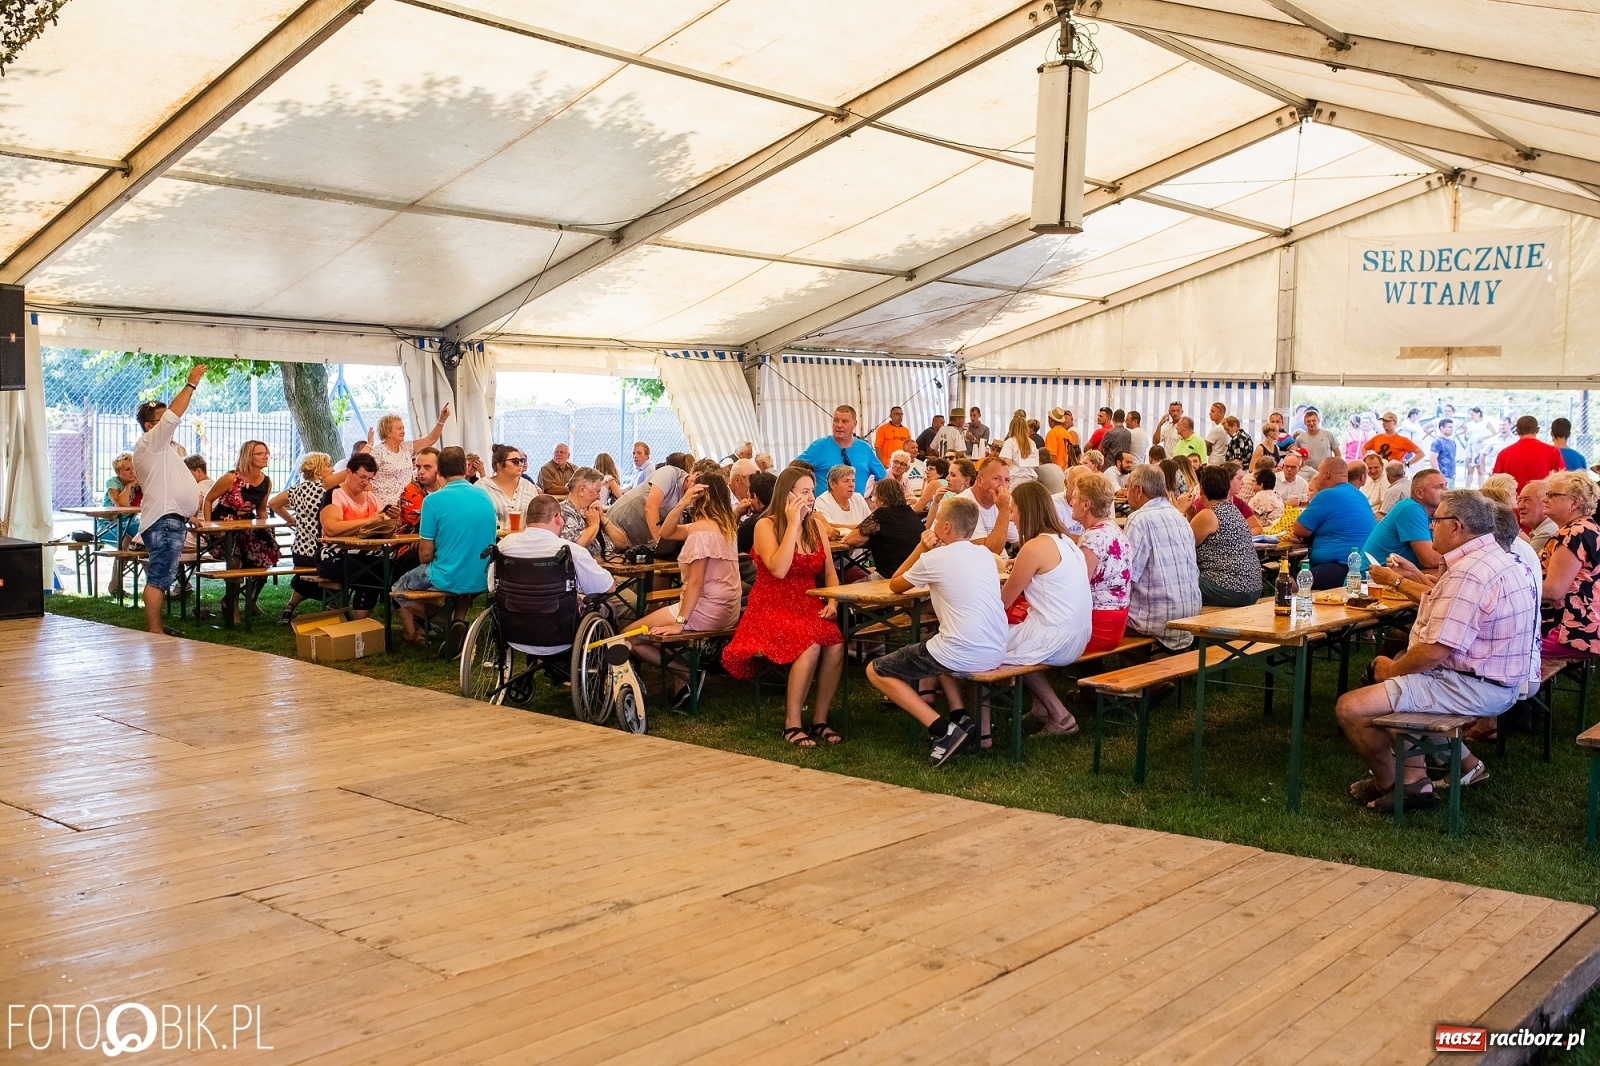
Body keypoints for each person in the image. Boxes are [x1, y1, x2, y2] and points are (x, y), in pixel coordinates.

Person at [1336, 491, 1539, 812]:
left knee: (1352, 707)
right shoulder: (1496, 558)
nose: (1430, 527)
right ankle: (1420, 777)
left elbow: (1434, 651)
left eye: (1435, 521)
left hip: (1474, 686)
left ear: (1456, 526)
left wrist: (1392, 669)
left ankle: (1396, 785)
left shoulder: (1470, 572)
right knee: (1396, 689)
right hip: (1492, 679)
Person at [867, 496, 1008, 766]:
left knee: (876, 670)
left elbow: (895, 584)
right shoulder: (986, 555)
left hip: (963, 650)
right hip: (996, 647)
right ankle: (959, 716)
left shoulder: (935, 558)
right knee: (938, 642)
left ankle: (941, 730)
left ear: (944, 527)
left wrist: (920, 547)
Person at [722, 466, 845, 748]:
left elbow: (829, 572)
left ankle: (820, 719)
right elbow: (777, 569)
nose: (811, 497)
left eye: (812, 491)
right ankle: (792, 723)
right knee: (810, 644)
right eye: (804, 492)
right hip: (770, 605)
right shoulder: (766, 525)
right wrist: (792, 525)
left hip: (807, 602)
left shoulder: (816, 526)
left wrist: (834, 600)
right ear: (786, 495)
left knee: (836, 642)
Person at [633, 471, 744, 705]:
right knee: (653, 633)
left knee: (630, 638)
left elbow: (695, 582)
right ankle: (682, 681)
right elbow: (665, 532)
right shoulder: (726, 528)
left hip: (704, 610)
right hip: (726, 609)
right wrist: (682, 504)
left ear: (700, 497)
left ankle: (686, 674)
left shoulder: (701, 533)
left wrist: (680, 623)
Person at [1000, 482, 1093, 738]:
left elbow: (1004, 600)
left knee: (992, 644)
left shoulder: (1034, 547)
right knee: (1016, 636)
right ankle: (1040, 706)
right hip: (1080, 632)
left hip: (1057, 635)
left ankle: (1060, 715)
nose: (1012, 517)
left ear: (1026, 511)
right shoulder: (1065, 540)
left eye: (1013, 510)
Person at [495, 494, 617, 679]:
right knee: (609, 608)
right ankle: (596, 671)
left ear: (528, 518)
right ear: (558, 518)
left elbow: (492, 586)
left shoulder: (504, 546)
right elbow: (608, 587)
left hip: (513, 629)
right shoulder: (570, 550)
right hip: (559, 632)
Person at [128, 366, 207, 634]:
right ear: (150, 426)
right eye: (161, 420)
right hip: (163, 522)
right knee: (160, 576)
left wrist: (188, 514)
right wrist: (191, 385)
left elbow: (167, 485)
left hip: (171, 519)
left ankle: (157, 628)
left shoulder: (163, 450)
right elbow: (174, 415)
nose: (170, 423)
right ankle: (154, 631)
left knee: (162, 574)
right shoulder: (151, 443)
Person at [393, 447, 498, 644]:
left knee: (398, 590)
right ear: (465, 469)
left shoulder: (433, 501)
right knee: (461, 584)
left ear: (439, 470)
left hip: (449, 574)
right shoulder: (485, 496)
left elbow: (425, 555)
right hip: (483, 575)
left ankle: (445, 623)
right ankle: (459, 620)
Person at [1122, 464, 1201, 650]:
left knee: (1099, 617)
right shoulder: (1179, 516)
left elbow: (1127, 574)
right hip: (1190, 611)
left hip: (1158, 618)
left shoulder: (1139, 519)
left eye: (1128, 488)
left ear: (1139, 490)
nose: (1126, 493)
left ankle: (1137, 675)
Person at [203, 440, 280, 624]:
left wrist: (267, 531)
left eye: (266, 453)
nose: (265, 457)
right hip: (225, 527)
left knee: (268, 555)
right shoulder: (231, 478)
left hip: (248, 526)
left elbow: (261, 510)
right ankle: (233, 605)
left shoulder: (266, 481)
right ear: (248, 456)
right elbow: (208, 499)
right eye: (260, 454)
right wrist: (208, 527)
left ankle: (251, 600)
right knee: (235, 559)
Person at [270, 451, 342, 624]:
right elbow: (347, 472)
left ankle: (290, 607)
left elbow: (273, 503)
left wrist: (291, 520)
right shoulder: (326, 488)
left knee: (305, 579)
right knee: (346, 567)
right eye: (328, 466)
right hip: (322, 551)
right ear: (318, 472)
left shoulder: (297, 490)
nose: (332, 469)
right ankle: (334, 605)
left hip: (301, 551)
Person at [1537, 471, 1600, 660]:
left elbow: (1553, 592)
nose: (1544, 499)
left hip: (1570, 630)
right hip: (1585, 626)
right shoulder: (1587, 527)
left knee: (1499, 646)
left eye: (1552, 495)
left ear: (1575, 502)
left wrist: (1513, 592)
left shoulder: (1574, 533)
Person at [317, 452, 388, 619]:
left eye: (370, 479)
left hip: (368, 554)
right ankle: (360, 623)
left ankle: (414, 626)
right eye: (362, 477)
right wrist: (367, 521)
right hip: (334, 556)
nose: (366, 482)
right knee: (373, 572)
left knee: (394, 570)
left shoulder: (371, 497)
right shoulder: (334, 494)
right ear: (348, 472)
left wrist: (388, 519)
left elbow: (380, 522)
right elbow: (331, 528)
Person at [1068, 473, 1131, 653]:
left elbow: (1079, 587)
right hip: (1117, 619)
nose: (1071, 503)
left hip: (1098, 623)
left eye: (1074, 497)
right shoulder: (1115, 530)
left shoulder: (1091, 537)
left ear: (1086, 505)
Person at [1292, 458, 1377, 589]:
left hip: (1342, 568)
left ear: (1326, 475)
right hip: (1364, 566)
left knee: (1290, 582)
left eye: (1319, 473)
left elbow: (1299, 529)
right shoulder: (1359, 495)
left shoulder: (1326, 495)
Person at [1189, 465, 1261, 608]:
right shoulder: (1233, 509)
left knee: (1174, 583)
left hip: (1228, 589)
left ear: (1201, 489)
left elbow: (1183, 546)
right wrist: (1191, 514)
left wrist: (1179, 510)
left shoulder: (1208, 514)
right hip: (1253, 588)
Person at [1363, 469, 1447, 573]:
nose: (1446, 490)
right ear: (1419, 493)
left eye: (1445, 485)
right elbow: (1430, 560)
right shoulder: (1411, 508)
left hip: (1389, 579)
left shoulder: (1431, 514)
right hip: (1368, 581)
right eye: (1439, 487)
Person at [605, 452, 691, 553]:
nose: (635, 456)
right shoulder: (668, 472)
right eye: (633, 453)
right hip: (621, 525)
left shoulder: (690, 492)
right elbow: (650, 508)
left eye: (638, 453)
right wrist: (661, 545)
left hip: (640, 537)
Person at [795, 404, 886, 495]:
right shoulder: (819, 446)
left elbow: (884, 478)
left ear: (854, 424)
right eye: (836, 420)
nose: (839, 425)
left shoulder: (865, 449)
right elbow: (793, 470)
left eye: (844, 421)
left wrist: (872, 499)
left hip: (856, 508)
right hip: (824, 508)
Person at [369, 405, 449, 507]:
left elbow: (430, 439)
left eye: (403, 428)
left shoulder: (406, 447)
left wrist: (441, 420)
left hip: (408, 503)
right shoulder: (378, 452)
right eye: (399, 428)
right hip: (386, 507)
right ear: (388, 432)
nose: (403, 431)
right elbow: (367, 478)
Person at [845, 477, 923, 577]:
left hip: (890, 577)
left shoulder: (881, 515)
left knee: (850, 589)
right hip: (915, 576)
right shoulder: (910, 513)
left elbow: (851, 539)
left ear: (882, 499)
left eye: (875, 497)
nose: (875, 501)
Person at [954, 456, 1015, 553]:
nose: (1003, 486)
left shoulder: (999, 503)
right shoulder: (962, 505)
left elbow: (1019, 539)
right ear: (979, 481)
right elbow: (989, 552)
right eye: (996, 478)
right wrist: (1004, 510)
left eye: (1007, 480)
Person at [560, 468, 622, 557]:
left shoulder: (590, 511)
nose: (599, 497)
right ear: (582, 490)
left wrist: (604, 520)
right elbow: (576, 546)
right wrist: (593, 525)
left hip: (610, 562)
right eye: (597, 491)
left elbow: (623, 544)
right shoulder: (563, 512)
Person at [1492, 415, 1564, 490]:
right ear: (1537, 430)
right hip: (1543, 499)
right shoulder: (1553, 452)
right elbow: (1562, 479)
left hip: (1514, 500)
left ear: (1517, 431)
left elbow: (1495, 483)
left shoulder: (1504, 454)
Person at [482, 444, 539, 530]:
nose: (520, 464)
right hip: (494, 541)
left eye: (522, 460)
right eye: (515, 461)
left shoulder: (529, 487)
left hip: (523, 540)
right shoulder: (482, 487)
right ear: (499, 464)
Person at [737, 470, 777, 556]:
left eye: (748, 496)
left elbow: (729, 546)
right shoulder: (785, 517)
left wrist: (737, 514)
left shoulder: (752, 523)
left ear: (754, 497)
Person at [1518, 478, 1559, 552]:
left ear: (1545, 502)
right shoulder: (1541, 528)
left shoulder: (1546, 532)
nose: (1519, 506)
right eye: (1519, 500)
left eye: (1527, 500)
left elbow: (1527, 563)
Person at [998, 410, 1039, 484]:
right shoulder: (1032, 443)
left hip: (1014, 479)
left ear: (1011, 428)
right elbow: (1035, 465)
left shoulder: (1010, 442)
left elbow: (1007, 462)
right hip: (1030, 479)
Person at [1044, 407, 1078, 472]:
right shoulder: (1067, 433)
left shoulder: (1052, 433)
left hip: (1057, 470)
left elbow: (1052, 455)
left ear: (1051, 420)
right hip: (1066, 469)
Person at [1429, 418, 1458, 486]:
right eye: (1449, 427)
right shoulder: (1437, 442)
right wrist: (1438, 474)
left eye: (1452, 427)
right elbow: (1433, 458)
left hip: (1451, 475)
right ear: (1442, 428)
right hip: (1443, 475)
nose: (1452, 429)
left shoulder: (1452, 442)